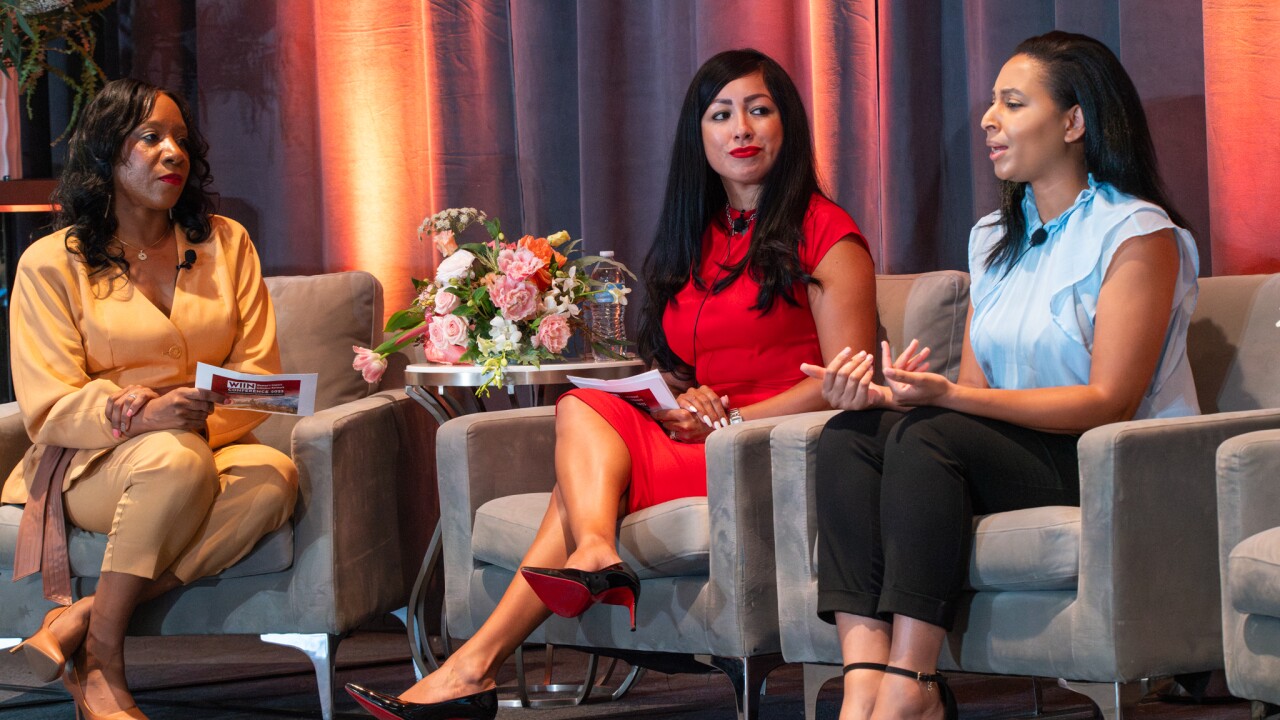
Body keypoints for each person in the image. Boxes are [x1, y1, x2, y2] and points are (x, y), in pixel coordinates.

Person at [344, 48, 878, 719]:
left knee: (577, 469)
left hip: (774, 453)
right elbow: (691, 365)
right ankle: (544, 599)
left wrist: (735, 421)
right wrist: (685, 399)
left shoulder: (829, 235)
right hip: (702, 438)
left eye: (758, 110)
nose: (741, 128)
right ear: (700, 136)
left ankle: (473, 666)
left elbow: (848, 382)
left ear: (786, 125)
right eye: (721, 114)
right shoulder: (699, 237)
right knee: (586, 404)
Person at [804, 31, 1200, 720]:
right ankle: (863, 676)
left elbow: (1111, 399)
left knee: (929, 436)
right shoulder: (993, 237)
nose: (988, 118)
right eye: (991, 102)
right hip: (1022, 450)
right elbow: (977, 397)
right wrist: (898, 395)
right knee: (851, 434)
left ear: (1074, 122)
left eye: (1013, 103)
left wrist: (948, 400)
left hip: (1119, 461)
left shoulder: (1138, 234)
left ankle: (914, 687)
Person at [4, 79, 297, 720]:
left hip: (211, 444)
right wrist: (142, 416)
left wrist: (190, 417)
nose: (173, 153)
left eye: (181, 141)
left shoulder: (226, 243)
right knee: (173, 459)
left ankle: (86, 622)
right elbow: (48, 404)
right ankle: (106, 667)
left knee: (275, 479)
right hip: (90, 464)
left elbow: (258, 377)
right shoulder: (51, 263)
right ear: (108, 152)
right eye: (150, 137)